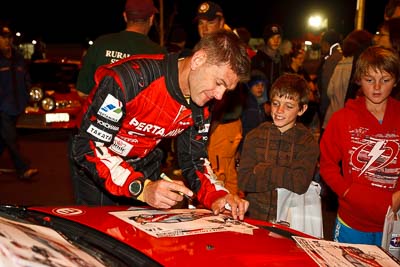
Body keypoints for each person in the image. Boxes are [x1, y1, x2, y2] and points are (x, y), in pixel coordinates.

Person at [69, 30, 250, 220]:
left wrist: (218, 196)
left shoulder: (203, 99)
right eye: (219, 82)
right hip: (97, 162)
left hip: (144, 161)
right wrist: (142, 188)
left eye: (226, 90)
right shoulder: (129, 79)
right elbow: (88, 147)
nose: (219, 95)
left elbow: (194, 158)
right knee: (101, 233)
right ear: (198, 60)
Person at [319, 46, 400, 245]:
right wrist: (346, 191)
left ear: (396, 81)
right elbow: (327, 164)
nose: (377, 87)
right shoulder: (342, 119)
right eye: (369, 80)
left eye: (385, 80)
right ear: (358, 80)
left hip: (394, 219)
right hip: (351, 221)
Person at [238, 73, 319, 222]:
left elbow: (300, 184)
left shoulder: (307, 142)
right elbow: (244, 180)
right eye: (276, 103)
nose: (279, 111)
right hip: (256, 217)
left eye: (289, 106)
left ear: (302, 109)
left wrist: (263, 169)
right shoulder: (254, 136)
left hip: (291, 220)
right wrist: (286, 176)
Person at [195, 1, 243, 196]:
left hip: (221, 124)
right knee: (224, 175)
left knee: (217, 178)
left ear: (221, 21)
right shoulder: (209, 46)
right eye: (201, 23)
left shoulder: (227, 47)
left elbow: (224, 95)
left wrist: (208, 126)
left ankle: (226, 220)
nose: (205, 27)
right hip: (218, 124)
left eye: (210, 22)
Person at [76, 0, 166, 97]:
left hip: (100, 110)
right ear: (151, 18)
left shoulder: (101, 43)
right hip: (141, 111)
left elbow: (82, 92)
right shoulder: (159, 54)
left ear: (125, 16)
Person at [0, 21, 38, 180]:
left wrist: (28, 94)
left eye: (8, 37)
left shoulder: (18, 57)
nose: (7, 40)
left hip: (16, 106)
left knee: (3, 139)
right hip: (2, 107)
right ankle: (23, 170)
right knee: (11, 138)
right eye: (3, 37)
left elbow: (25, 78)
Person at [316, 29, 343, 136]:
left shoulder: (332, 59)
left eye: (321, 42)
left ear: (327, 43)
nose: (320, 46)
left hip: (330, 108)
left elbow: (327, 88)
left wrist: (323, 109)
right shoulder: (342, 55)